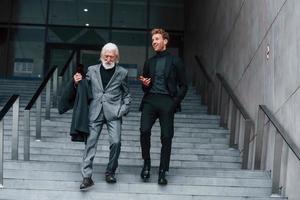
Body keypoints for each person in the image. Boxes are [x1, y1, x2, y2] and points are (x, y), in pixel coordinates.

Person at [73, 43, 131, 190]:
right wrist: (76, 82)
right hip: (95, 111)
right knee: (90, 143)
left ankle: (110, 171)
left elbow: (127, 94)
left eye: (112, 56)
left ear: (116, 57)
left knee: (116, 142)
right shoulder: (92, 70)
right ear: (102, 56)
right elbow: (84, 88)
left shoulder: (122, 72)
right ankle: (86, 177)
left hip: (114, 112)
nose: (109, 58)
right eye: (106, 55)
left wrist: (123, 109)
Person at [139, 28, 188, 185]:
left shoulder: (176, 61)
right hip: (150, 101)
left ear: (165, 41)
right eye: (153, 40)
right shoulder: (149, 62)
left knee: (166, 137)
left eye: (157, 39)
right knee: (144, 130)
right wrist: (145, 84)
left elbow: (184, 85)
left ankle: (162, 170)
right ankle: (146, 163)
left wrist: (174, 103)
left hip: (167, 101)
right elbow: (145, 87)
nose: (154, 42)